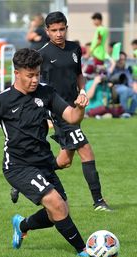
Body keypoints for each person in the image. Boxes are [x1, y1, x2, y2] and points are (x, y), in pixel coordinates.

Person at [0, 48, 89, 257]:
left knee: (59, 211)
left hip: (43, 162)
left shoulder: (46, 92)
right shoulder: (2, 101)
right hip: (18, 166)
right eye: (30, 75)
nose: (35, 80)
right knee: (56, 204)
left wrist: (80, 106)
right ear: (17, 73)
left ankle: (22, 225)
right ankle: (85, 250)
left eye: (37, 74)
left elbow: (73, 117)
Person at [36, 11, 111, 211]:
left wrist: (83, 91)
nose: (59, 33)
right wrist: (44, 112)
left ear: (66, 28)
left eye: (62, 29)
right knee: (86, 151)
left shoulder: (74, 48)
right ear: (47, 31)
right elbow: (34, 85)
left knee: (65, 160)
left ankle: (34, 172)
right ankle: (99, 201)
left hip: (74, 110)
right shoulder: (42, 54)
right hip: (59, 112)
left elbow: (79, 74)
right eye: (54, 30)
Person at [109, 51, 137, 116]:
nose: (121, 61)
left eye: (123, 59)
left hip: (126, 88)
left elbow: (130, 81)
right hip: (115, 89)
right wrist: (113, 64)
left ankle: (131, 112)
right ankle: (124, 111)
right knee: (125, 90)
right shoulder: (113, 68)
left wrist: (134, 84)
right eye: (119, 59)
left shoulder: (126, 70)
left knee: (135, 92)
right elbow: (108, 75)